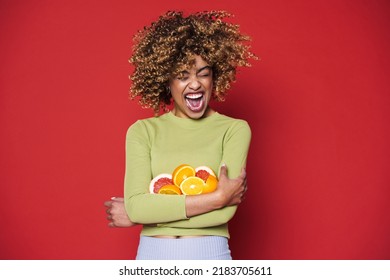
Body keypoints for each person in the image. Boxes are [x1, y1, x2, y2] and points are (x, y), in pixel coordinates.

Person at [104, 10, 257, 260]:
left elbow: (223, 215)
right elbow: (138, 206)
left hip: (210, 255)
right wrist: (218, 197)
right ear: (167, 82)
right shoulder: (143, 131)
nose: (195, 84)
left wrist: (147, 213)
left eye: (203, 73)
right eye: (182, 76)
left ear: (214, 77)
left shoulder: (234, 130)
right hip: (152, 257)